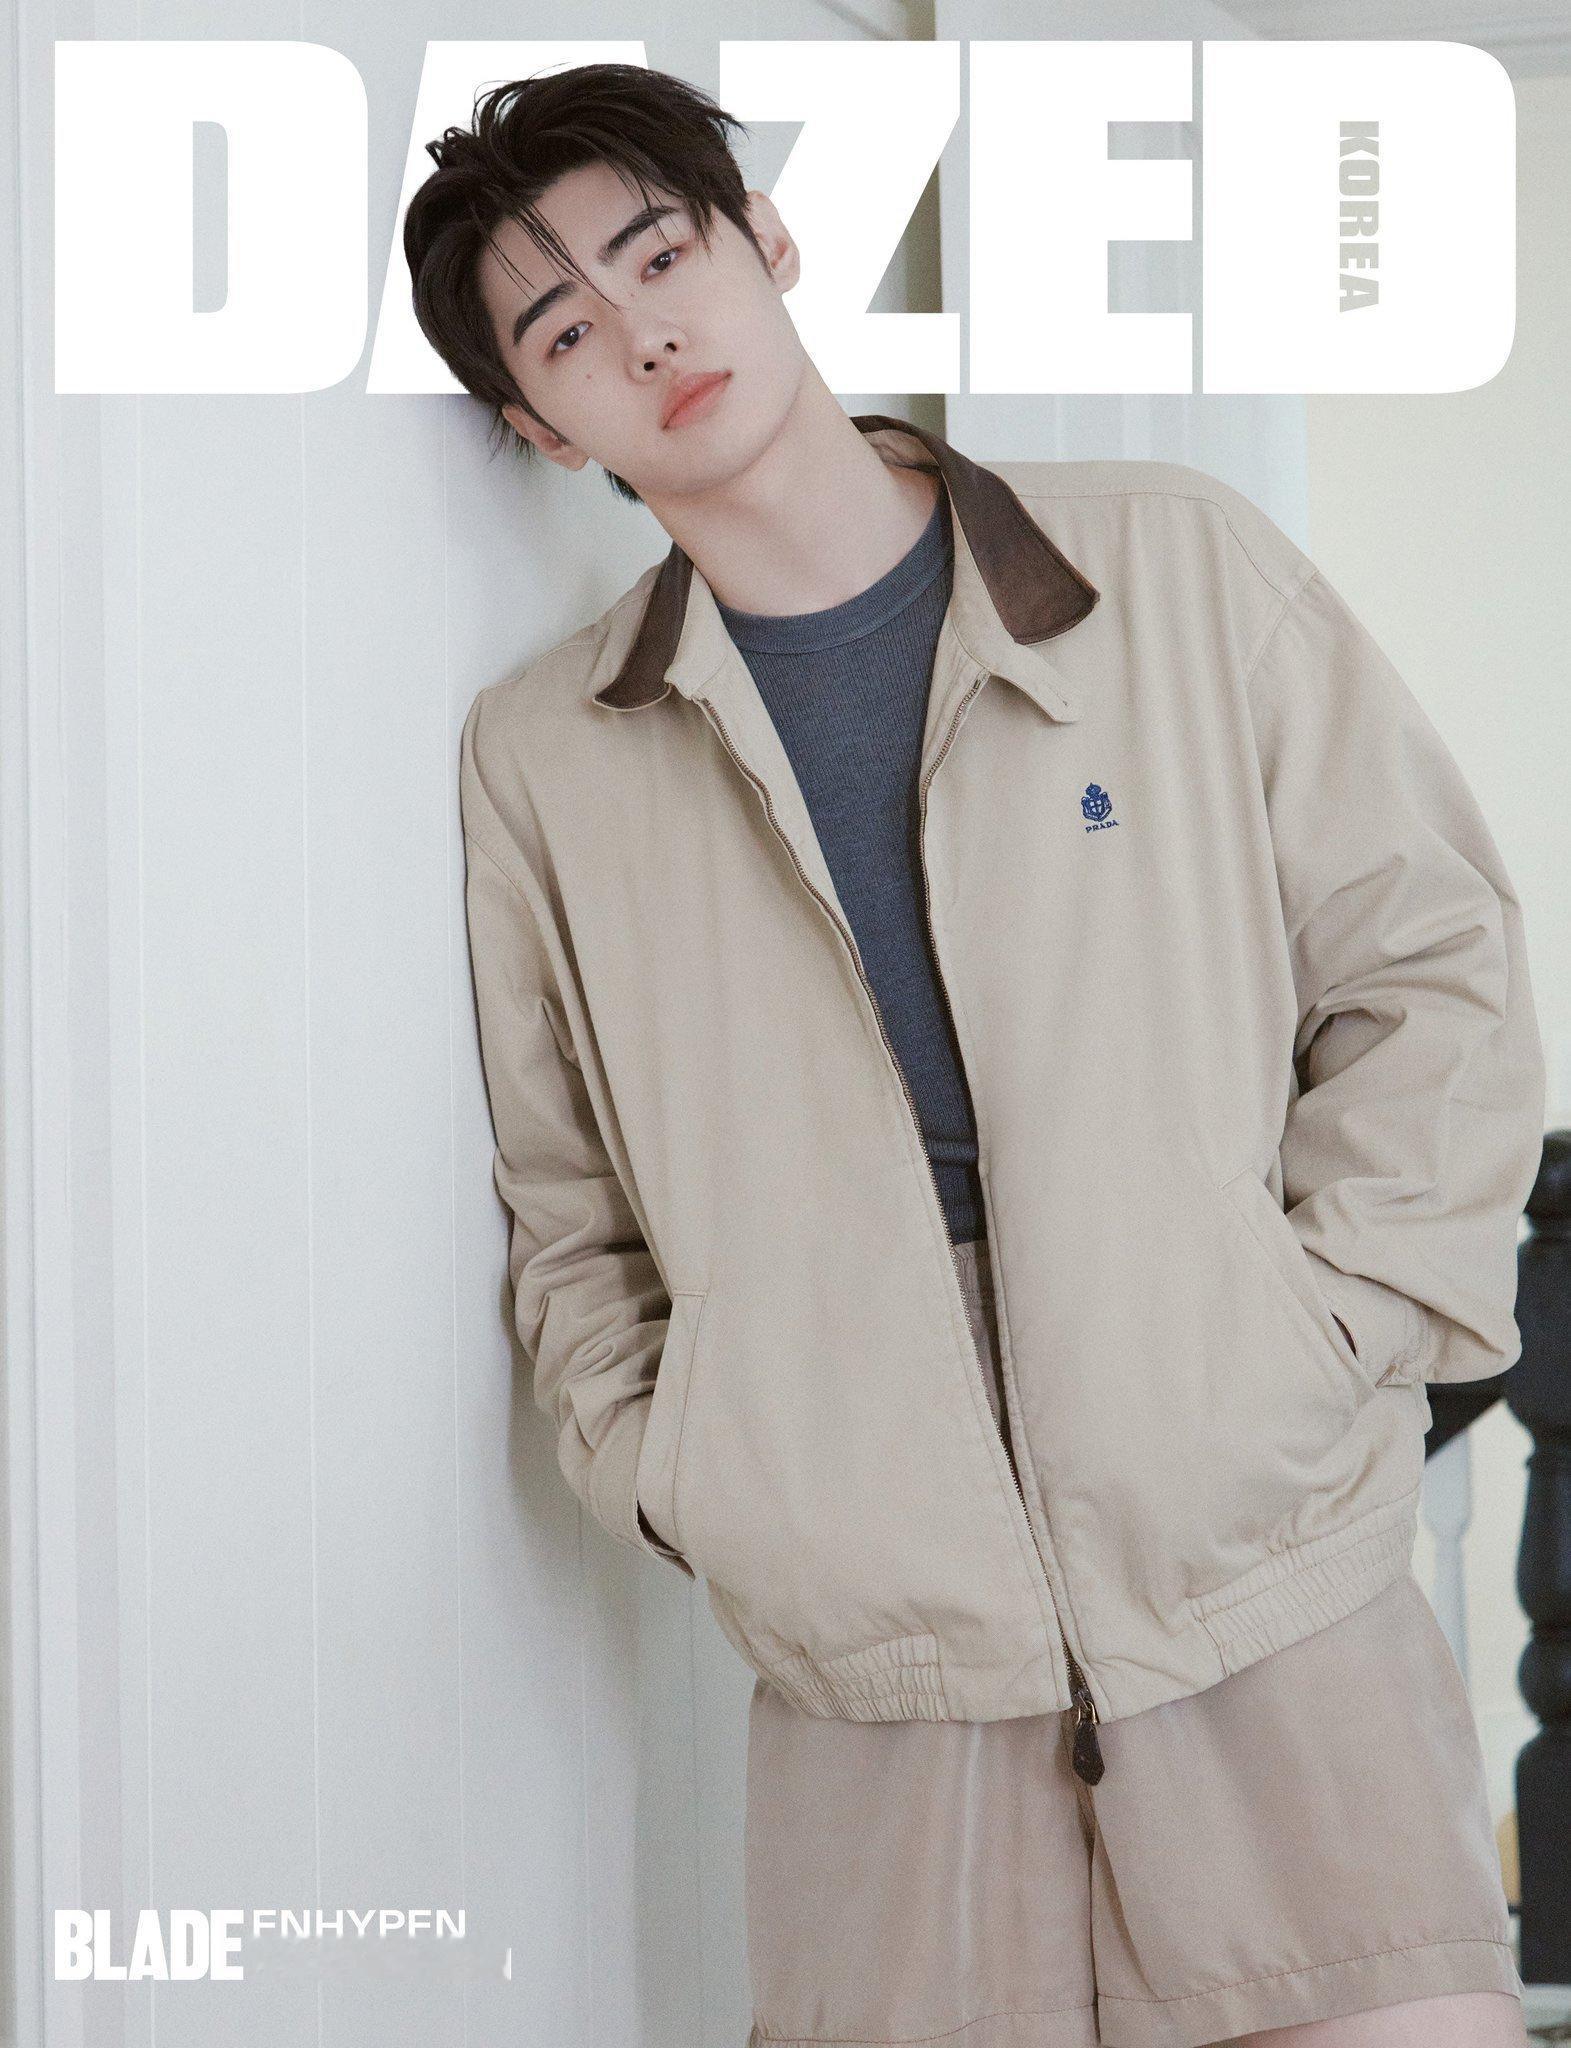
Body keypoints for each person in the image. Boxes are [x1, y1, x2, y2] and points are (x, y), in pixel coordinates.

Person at [404, 62, 1545, 2048]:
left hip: (1271, 1580)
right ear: (534, 422)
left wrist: (1329, 1333)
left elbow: (1433, 969)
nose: (643, 333)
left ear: (767, 242)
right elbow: (566, 1200)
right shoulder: (548, 757)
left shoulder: (1171, 568)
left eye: (658, 255)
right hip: (878, 1665)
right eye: (564, 331)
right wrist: (704, 1480)